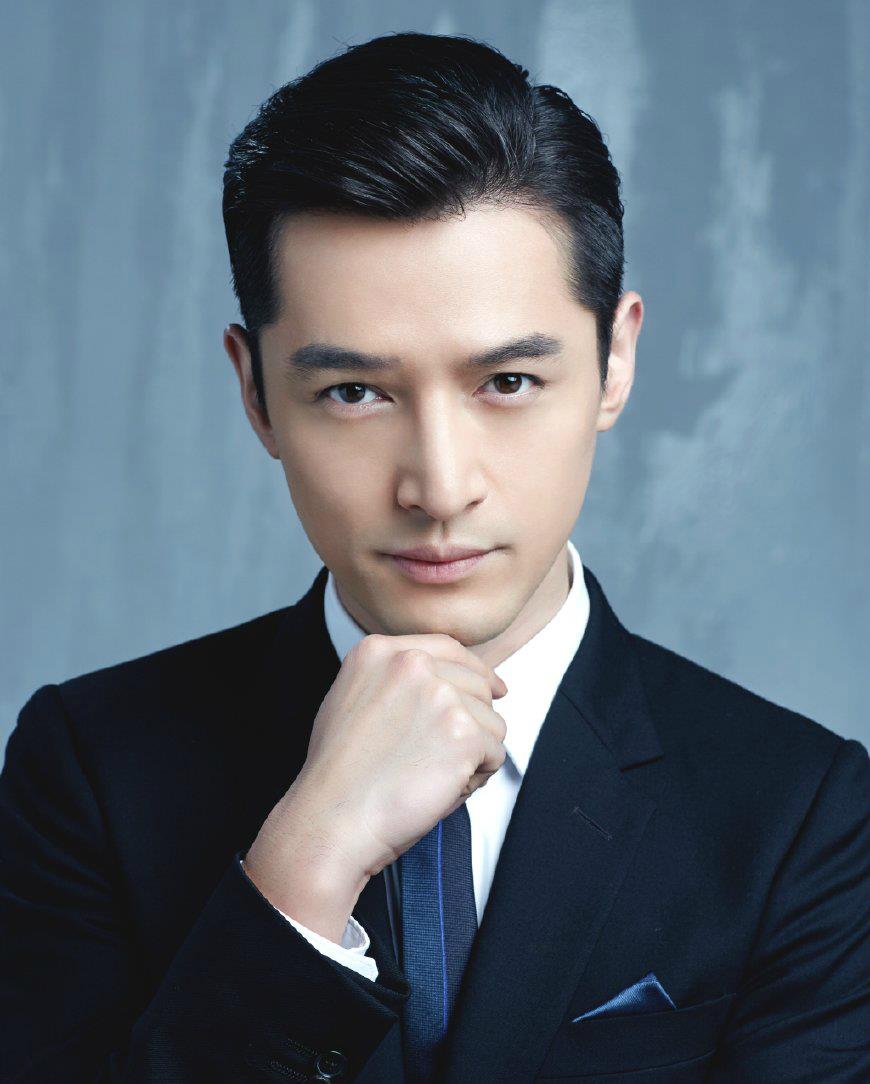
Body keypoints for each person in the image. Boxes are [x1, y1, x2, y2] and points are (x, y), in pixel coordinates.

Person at [1, 30, 868, 1084]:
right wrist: (303, 869)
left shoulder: (801, 814)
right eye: (353, 392)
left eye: (507, 382)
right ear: (255, 392)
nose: (439, 487)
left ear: (615, 361)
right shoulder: (90, 772)